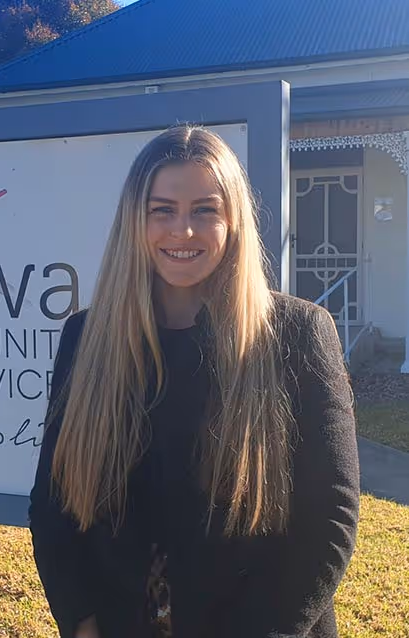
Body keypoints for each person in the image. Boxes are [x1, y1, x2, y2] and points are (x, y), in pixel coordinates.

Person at [29, 125, 360, 638]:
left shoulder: (297, 334)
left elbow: (330, 518)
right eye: (162, 210)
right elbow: (53, 502)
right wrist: (81, 619)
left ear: (233, 222)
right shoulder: (86, 338)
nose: (182, 231)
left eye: (204, 210)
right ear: (135, 222)